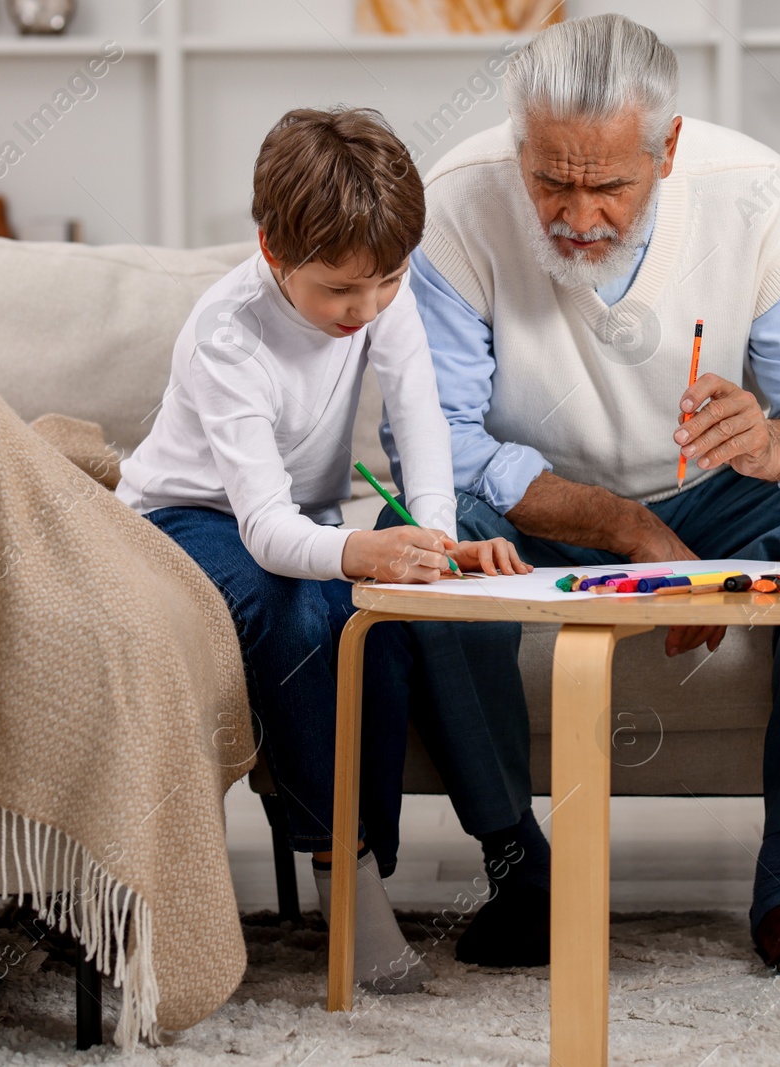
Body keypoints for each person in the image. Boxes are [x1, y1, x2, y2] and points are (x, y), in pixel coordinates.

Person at [387, 14, 780, 975]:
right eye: (550, 178)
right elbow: (440, 444)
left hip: (713, 500)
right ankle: (521, 873)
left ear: (667, 150)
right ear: (520, 146)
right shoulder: (458, 205)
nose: (576, 214)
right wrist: (629, 527)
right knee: (427, 531)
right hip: (536, 513)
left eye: (608, 186)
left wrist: (779, 439)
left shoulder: (752, 194)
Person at [116, 106, 530, 994]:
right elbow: (262, 530)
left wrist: (435, 539)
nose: (365, 308)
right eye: (339, 291)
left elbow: (417, 412)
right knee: (296, 605)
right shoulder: (227, 332)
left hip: (300, 515)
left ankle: (361, 857)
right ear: (272, 250)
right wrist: (363, 552)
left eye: (384, 283)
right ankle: (347, 879)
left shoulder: (383, 280)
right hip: (189, 516)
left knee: (366, 618)